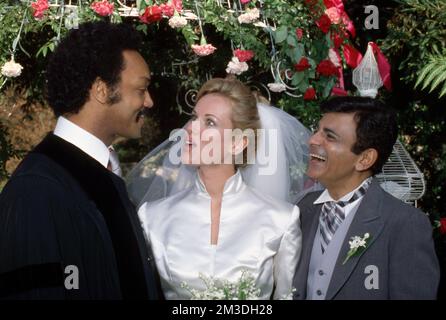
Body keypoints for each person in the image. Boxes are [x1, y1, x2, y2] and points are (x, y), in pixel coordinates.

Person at [0, 22, 159, 299]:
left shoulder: (105, 173)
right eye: (141, 89)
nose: (149, 102)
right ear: (100, 90)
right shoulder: (36, 190)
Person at [134, 78, 311, 299]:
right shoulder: (152, 216)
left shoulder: (281, 219)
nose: (189, 129)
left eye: (209, 122)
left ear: (238, 143)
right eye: (193, 118)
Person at [292, 96, 440, 300]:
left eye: (330, 136)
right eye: (317, 130)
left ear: (364, 159)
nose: (313, 140)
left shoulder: (406, 224)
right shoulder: (304, 207)